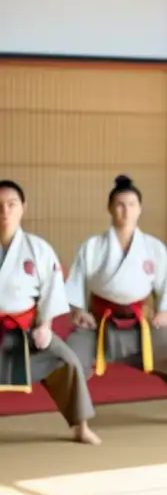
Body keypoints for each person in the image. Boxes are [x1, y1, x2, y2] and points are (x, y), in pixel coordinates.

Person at [64, 175, 167, 429]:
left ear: (140, 209)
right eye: (120, 204)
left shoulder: (153, 247)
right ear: (110, 208)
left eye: (132, 204)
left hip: (142, 323)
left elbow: (166, 284)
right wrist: (79, 310)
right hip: (100, 323)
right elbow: (75, 283)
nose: (126, 210)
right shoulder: (93, 246)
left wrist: (166, 311)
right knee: (70, 356)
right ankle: (80, 423)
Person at [0, 180, 101, 445]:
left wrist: (45, 325)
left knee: (67, 362)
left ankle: (81, 425)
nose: (5, 211)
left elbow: (52, 289)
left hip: (27, 329)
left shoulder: (39, 249)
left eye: (11, 204)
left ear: (23, 208)